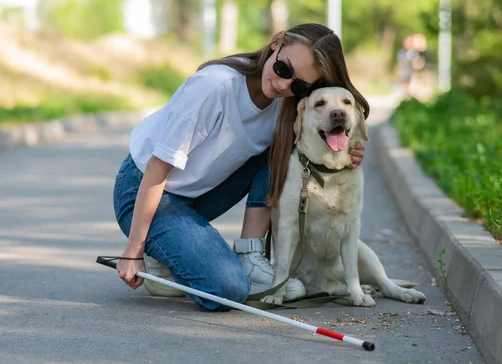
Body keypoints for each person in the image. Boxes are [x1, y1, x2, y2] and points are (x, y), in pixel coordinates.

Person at [112, 23, 370, 311]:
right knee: (228, 288)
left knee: (284, 150)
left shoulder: (285, 104)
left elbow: (324, 130)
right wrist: (132, 251)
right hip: (145, 191)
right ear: (277, 43)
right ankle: (160, 250)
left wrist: (348, 151)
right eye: (284, 69)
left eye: (299, 85)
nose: (284, 85)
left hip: (197, 197)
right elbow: (157, 168)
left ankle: (248, 254)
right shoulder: (214, 86)